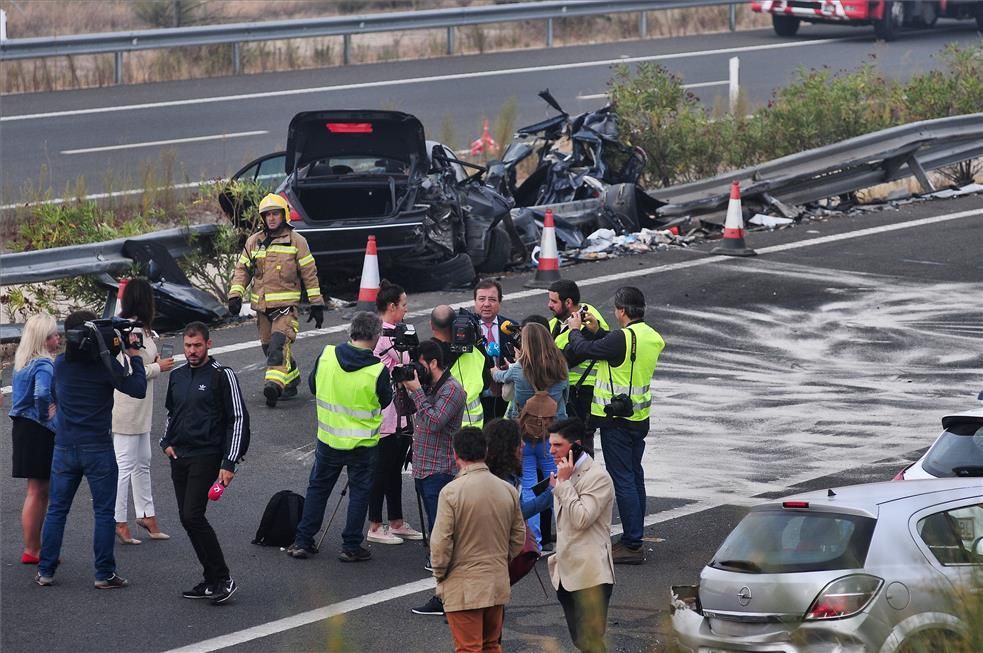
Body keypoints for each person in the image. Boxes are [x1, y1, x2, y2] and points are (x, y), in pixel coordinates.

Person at [37, 310, 147, 589]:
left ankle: (46, 571)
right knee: (103, 512)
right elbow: (137, 388)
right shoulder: (104, 367)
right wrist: (131, 354)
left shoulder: (61, 364)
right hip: (97, 447)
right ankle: (103, 573)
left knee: (57, 510)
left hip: (64, 446)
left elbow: (51, 396)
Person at [564, 286, 665, 565]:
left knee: (623, 481)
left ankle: (632, 544)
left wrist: (575, 330)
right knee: (635, 476)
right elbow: (613, 346)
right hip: (638, 417)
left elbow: (586, 349)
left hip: (615, 419)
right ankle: (635, 536)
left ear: (621, 311)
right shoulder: (650, 337)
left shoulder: (622, 338)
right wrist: (597, 329)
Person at [287, 312, 392, 563]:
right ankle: (351, 545)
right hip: (363, 445)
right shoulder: (377, 370)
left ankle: (303, 540)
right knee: (359, 494)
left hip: (328, 438)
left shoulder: (327, 355)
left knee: (318, 488)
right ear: (376, 337)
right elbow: (386, 400)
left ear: (351, 331)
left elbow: (313, 386)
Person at [161, 321, 249, 603]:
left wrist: (230, 462)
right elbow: (171, 414)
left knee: (192, 516)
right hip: (180, 457)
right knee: (188, 519)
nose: (192, 351)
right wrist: (166, 443)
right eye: (187, 346)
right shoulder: (176, 376)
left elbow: (238, 419)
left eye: (197, 345)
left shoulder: (223, 375)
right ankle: (211, 579)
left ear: (208, 344)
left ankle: (223, 578)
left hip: (206, 455)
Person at [430, 426, 526, 653]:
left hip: (463, 584)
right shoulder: (507, 489)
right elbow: (518, 536)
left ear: (456, 455)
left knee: (468, 648)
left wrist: (441, 574)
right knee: (491, 645)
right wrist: (502, 560)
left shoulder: (451, 492)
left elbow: (440, 543)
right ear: (485, 451)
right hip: (496, 581)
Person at [227, 193, 325, 408]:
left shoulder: (297, 241)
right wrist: (235, 295)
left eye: (275, 214)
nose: (271, 218)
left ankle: (273, 386)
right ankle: (291, 379)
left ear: (284, 215)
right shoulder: (255, 242)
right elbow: (242, 270)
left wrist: (317, 303)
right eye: (267, 215)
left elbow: (309, 273)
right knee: (268, 347)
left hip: (286, 311)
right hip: (262, 310)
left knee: (277, 348)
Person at [401, 339, 466, 616]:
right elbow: (408, 414)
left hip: (441, 471)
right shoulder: (429, 388)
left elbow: (435, 421)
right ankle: (448, 595)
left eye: (422, 364)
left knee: (444, 540)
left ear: (434, 363)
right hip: (424, 468)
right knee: (437, 538)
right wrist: (406, 388)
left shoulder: (452, 390)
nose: (419, 370)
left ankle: (446, 599)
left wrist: (416, 392)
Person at [489, 323, 567, 547]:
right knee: (558, 484)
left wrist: (498, 368)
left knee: (529, 487)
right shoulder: (560, 369)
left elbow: (499, 376)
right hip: (551, 435)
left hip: (523, 434)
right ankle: (565, 536)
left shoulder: (519, 369)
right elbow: (564, 403)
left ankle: (534, 541)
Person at [112, 279, 175, 545]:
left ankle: (146, 514)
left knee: (143, 461)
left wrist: (155, 362)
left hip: (141, 406)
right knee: (125, 465)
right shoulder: (128, 330)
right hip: (127, 406)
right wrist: (158, 368)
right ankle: (118, 520)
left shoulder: (141, 329)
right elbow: (126, 370)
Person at [548, 418, 615, 653]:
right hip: (567, 574)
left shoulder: (597, 477)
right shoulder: (564, 473)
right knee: (581, 641)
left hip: (590, 576)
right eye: (551, 445)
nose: (551, 451)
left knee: (591, 643)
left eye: (557, 445)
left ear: (576, 445)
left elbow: (582, 519)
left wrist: (563, 485)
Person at [367, 280, 423, 545]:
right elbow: (391, 372)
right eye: (403, 305)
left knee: (394, 468)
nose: (406, 311)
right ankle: (375, 524)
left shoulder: (397, 334)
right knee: (381, 470)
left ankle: (397, 521)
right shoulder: (379, 337)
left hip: (402, 414)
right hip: (386, 415)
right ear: (391, 306)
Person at [9, 312, 60, 565]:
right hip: (38, 429)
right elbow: (41, 394)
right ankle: (33, 548)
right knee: (39, 491)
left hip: (22, 427)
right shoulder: (44, 363)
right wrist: (48, 415)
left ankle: (34, 547)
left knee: (36, 490)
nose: (58, 338)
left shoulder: (22, 361)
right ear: (43, 339)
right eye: (53, 336)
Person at [547, 279, 610, 428]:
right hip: (565, 390)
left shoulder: (589, 324)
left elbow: (567, 359)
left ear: (568, 302)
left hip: (583, 393)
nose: (549, 305)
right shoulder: (557, 322)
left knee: (581, 443)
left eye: (553, 301)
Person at [483, 418, 553, 522]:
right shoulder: (498, 482)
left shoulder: (508, 472)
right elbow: (519, 513)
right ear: (507, 446)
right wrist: (551, 492)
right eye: (519, 441)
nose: (523, 444)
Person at [431, 304, 487, 429]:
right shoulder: (475, 351)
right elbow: (487, 382)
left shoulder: (427, 355)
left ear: (431, 325)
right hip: (475, 428)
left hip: (443, 427)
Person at [473, 279, 515, 420]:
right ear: (475, 302)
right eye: (481, 299)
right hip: (477, 398)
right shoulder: (465, 330)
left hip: (505, 395)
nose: (486, 304)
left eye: (492, 299)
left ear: (499, 302)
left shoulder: (511, 327)